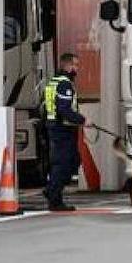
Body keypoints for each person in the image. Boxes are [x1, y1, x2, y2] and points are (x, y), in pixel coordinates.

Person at [42, 52, 86, 211]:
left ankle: (52, 190)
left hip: (54, 126)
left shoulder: (53, 82)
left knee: (70, 161)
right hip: (63, 129)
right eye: (75, 65)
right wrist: (83, 120)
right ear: (67, 66)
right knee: (64, 164)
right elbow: (64, 109)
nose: (76, 69)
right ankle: (54, 198)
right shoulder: (65, 84)